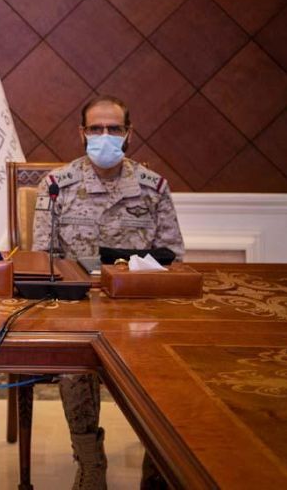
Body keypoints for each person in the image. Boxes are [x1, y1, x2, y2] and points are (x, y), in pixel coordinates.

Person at [33, 95, 184, 490]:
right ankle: (90, 463)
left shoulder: (153, 188)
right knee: (74, 365)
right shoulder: (56, 186)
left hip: (141, 311)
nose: (105, 135)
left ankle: (158, 465)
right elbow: (43, 260)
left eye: (113, 129)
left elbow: (174, 259)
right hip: (79, 309)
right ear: (82, 133)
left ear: (128, 133)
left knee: (172, 366)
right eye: (96, 128)